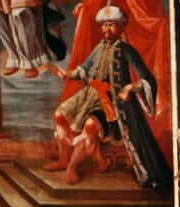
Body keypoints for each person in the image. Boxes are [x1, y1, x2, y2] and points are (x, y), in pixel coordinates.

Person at [44, 4, 170, 188]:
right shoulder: (100, 47)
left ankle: (71, 166)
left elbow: (147, 79)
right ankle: (63, 159)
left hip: (111, 102)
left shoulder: (127, 50)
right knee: (59, 115)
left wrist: (129, 88)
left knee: (89, 126)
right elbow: (84, 69)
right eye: (104, 25)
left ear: (121, 26)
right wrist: (66, 75)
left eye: (111, 24)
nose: (107, 29)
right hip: (89, 95)